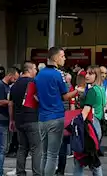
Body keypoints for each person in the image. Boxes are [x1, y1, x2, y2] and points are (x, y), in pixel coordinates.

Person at [38, 48, 79, 176]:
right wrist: (78, 90)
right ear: (55, 58)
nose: (64, 58)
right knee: (52, 155)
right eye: (62, 56)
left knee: (44, 154)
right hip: (56, 116)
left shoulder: (40, 74)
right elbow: (65, 96)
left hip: (42, 117)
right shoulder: (58, 74)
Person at [13, 62, 40, 176]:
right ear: (29, 70)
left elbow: (11, 103)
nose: (36, 71)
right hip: (32, 118)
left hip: (19, 119)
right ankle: (37, 173)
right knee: (36, 149)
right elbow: (38, 99)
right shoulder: (33, 83)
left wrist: (12, 120)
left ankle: (20, 172)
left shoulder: (15, 85)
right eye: (35, 68)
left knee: (22, 148)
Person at [0, 67, 18, 176]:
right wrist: (9, 102)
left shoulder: (8, 86)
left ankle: (0, 171)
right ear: (10, 75)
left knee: (4, 147)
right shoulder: (0, 86)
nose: (15, 81)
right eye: (14, 78)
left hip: (6, 118)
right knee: (1, 148)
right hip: (0, 119)